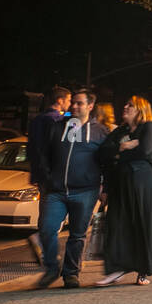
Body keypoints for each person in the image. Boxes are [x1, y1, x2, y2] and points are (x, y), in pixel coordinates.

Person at [33, 89, 108, 288]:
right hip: (56, 191)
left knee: (77, 234)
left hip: (85, 191)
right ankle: (52, 267)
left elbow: (107, 162)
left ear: (90, 106)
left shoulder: (100, 132)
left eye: (80, 103)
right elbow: (44, 154)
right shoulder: (57, 127)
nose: (74, 106)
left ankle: (71, 274)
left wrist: (105, 187)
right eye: (73, 102)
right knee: (47, 229)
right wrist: (45, 178)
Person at [96, 96, 152, 286]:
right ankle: (116, 268)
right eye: (125, 104)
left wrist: (121, 153)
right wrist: (124, 146)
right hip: (121, 183)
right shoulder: (121, 131)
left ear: (141, 110)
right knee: (117, 224)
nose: (125, 107)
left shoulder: (149, 127)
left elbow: (145, 151)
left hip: (144, 185)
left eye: (130, 105)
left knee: (143, 224)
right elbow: (103, 152)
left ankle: (143, 270)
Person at [25, 86, 70, 262]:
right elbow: (58, 149)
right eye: (67, 100)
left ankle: (43, 246)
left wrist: (36, 172)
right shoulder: (57, 120)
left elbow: (32, 149)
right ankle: (42, 244)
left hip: (40, 173)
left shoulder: (37, 120)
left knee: (46, 210)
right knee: (55, 212)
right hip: (54, 174)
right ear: (59, 101)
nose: (69, 103)